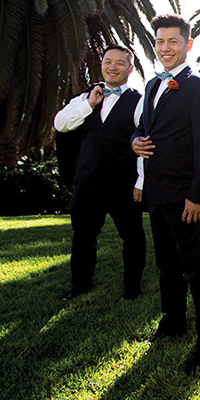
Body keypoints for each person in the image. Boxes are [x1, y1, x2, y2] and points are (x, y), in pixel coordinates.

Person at [131, 14, 200, 373]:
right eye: (160, 42)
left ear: (188, 44)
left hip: (185, 196)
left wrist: (198, 196)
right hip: (156, 193)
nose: (165, 48)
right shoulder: (151, 85)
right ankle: (173, 321)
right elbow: (142, 128)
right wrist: (134, 141)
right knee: (167, 265)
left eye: (173, 41)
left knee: (195, 266)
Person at [53, 44, 145, 301]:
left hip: (123, 183)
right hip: (88, 181)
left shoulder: (139, 101)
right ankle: (80, 286)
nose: (113, 67)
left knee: (132, 237)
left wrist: (141, 180)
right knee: (83, 236)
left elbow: (145, 143)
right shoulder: (86, 97)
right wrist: (89, 104)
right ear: (101, 65)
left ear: (130, 68)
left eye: (119, 63)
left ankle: (132, 289)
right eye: (108, 62)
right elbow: (61, 124)